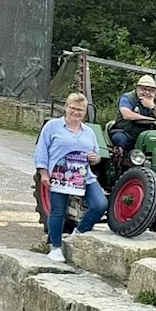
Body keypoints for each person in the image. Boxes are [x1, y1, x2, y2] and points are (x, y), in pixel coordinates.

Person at [34, 93, 107, 263]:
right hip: (60, 175)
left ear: (84, 112)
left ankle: (79, 232)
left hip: (83, 176)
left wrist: (95, 158)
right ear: (66, 107)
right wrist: (43, 173)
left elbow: (96, 154)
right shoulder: (52, 126)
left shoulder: (89, 132)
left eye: (80, 110)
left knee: (100, 204)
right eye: (73, 108)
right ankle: (55, 247)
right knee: (58, 211)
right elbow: (42, 150)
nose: (76, 112)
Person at [108, 75, 156, 150]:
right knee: (119, 139)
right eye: (144, 89)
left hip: (150, 136)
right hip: (127, 132)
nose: (147, 93)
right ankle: (127, 159)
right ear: (137, 89)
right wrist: (152, 120)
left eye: (151, 90)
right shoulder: (128, 98)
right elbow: (127, 115)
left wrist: (153, 108)